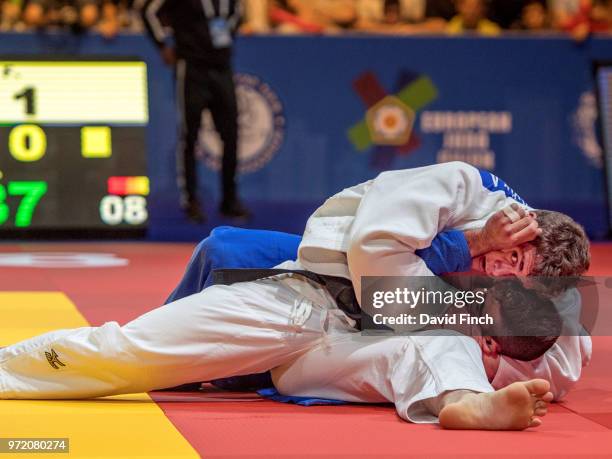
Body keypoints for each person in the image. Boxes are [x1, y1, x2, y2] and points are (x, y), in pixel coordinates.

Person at [0, 162, 590, 427]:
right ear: (517, 237)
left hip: (340, 354)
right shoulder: (461, 188)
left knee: (436, 342)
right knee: (132, 351)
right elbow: (372, 256)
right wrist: (466, 255)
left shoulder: (551, 299)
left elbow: (561, 366)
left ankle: (464, 403)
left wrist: (504, 364)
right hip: (309, 298)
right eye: (508, 268)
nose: (498, 283)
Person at [142, 0, 249, 222]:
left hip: (221, 66)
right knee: (189, 135)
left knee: (231, 135)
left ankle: (229, 200)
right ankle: (190, 200)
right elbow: (148, 11)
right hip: (191, 67)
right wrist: (162, 44)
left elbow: (237, 13)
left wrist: (227, 33)